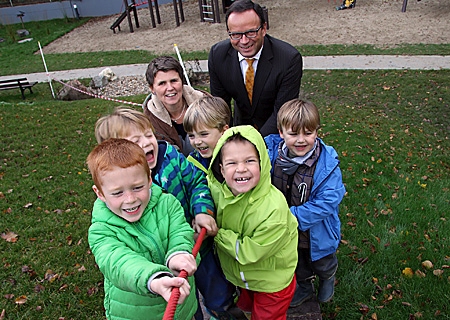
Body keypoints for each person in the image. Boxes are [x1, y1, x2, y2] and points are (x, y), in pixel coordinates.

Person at [94, 107, 238, 320]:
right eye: (135, 141)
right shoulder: (109, 221)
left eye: (148, 134)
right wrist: (153, 277)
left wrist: (202, 211)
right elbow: (117, 260)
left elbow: (197, 182)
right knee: (185, 302)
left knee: (217, 295)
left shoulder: (170, 156)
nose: (146, 143)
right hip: (150, 289)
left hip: (197, 245)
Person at [86, 138, 198, 319]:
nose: (130, 199)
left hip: (181, 308)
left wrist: (179, 253)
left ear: (149, 180)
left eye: (137, 187)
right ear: (100, 194)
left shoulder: (168, 204)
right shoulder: (101, 230)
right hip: (135, 313)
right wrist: (153, 279)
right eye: (117, 193)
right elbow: (118, 263)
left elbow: (180, 232)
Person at [207, 125, 299, 320]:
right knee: (247, 310)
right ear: (221, 169)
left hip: (272, 282)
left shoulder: (273, 208)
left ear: (262, 164)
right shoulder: (220, 192)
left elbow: (250, 252)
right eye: (232, 163)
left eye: (250, 161)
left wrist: (218, 234)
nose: (241, 169)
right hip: (245, 278)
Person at [264, 99, 346, 307]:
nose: (301, 140)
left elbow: (327, 201)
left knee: (321, 261)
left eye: (308, 133)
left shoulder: (326, 165)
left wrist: (290, 217)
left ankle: (328, 276)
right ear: (281, 133)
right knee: (297, 262)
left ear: (317, 132)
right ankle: (304, 287)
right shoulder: (271, 156)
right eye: (293, 134)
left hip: (317, 231)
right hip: (287, 232)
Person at [208, 0, 303, 137]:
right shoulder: (218, 55)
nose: (244, 41)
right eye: (236, 35)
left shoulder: (288, 59)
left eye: (251, 32)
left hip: (276, 133)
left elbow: (282, 112)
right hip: (238, 129)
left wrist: (254, 142)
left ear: (263, 29)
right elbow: (220, 108)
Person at [143, 55, 209, 156]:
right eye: (162, 83)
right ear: (152, 88)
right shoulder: (149, 121)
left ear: (182, 81)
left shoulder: (207, 103)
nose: (169, 88)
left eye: (174, 81)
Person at [183, 96, 231, 174]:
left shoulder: (239, 157)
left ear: (224, 131)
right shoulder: (192, 165)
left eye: (203, 134)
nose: (197, 142)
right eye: (191, 136)